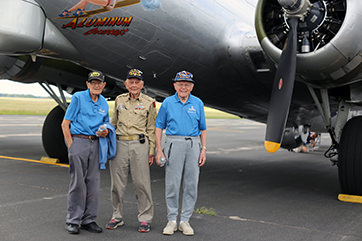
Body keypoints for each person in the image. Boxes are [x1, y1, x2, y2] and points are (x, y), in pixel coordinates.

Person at [155, 70, 207, 236]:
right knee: (172, 183)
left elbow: (203, 128)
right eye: (180, 84)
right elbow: (158, 127)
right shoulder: (168, 103)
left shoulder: (197, 103)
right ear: (175, 86)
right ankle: (171, 220)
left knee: (191, 184)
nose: (183, 87)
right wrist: (159, 149)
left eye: (187, 84)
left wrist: (203, 149)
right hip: (173, 142)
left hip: (193, 144)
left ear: (191, 87)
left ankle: (185, 220)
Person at [106, 68, 156, 233]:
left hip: (139, 145)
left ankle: (145, 219)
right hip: (120, 144)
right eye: (131, 82)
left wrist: (151, 150)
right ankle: (116, 216)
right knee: (117, 184)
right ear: (126, 83)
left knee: (141, 183)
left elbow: (151, 129)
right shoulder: (119, 100)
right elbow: (113, 124)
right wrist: (108, 143)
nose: (134, 85)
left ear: (142, 84)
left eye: (137, 82)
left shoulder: (149, 102)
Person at [61, 71, 109, 235]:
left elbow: (106, 124)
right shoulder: (78, 98)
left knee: (93, 183)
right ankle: (73, 220)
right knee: (78, 183)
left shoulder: (104, 102)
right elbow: (65, 123)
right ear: (87, 84)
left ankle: (88, 220)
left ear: (103, 85)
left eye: (99, 83)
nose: (96, 85)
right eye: (93, 82)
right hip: (79, 141)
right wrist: (71, 147)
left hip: (95, 143)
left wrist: (105, 132)